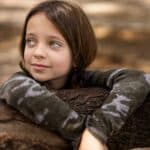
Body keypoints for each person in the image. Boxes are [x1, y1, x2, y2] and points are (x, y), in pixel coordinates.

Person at [0, 0, 150, 149]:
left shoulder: (83, 79)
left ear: (76, 56)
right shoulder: (18, 82)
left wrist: (96, 132)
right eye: (31, 41)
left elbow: (137, 78)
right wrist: (82, 135)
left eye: (54, 44)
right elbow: (17, 89)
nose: (38, 53)